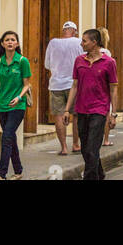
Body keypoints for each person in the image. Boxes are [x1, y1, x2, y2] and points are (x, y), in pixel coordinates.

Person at [64, 28, 118, 181]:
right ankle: (99, 174)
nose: (81, 44)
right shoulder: (79, 61)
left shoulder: (109, 62)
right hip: (81, 109)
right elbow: (74, 86)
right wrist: (67, 109)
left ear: (94, 43)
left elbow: (113, 89)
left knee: (93, 148)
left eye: (84, 41)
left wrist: (113, 114)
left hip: (99, 110)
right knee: (86, 148)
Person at [0, 31, 32, 181]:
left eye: (13, 40)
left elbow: (26, 85)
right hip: (2, 105)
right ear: (2, 44)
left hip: (17, 105)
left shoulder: (23, 61)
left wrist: (18, 97)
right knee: (10, 138)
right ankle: (18, 170)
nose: (10, 42)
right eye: (7, 40)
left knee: (7, 137)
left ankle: (1, 175)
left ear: (17, 44)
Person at [44, 21, 83, 155]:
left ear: (63, 31)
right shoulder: (79, 42)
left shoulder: (53, 43)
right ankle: (76, 144)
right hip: (74, 84)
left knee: (59, 116)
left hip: (56, 84)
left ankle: (64, 147)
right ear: (74, 31)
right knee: (77, 115)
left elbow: (47, 64)